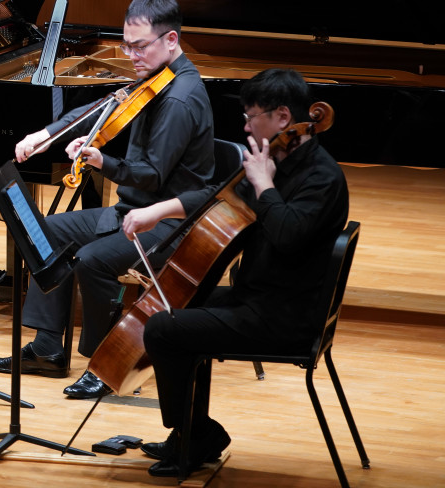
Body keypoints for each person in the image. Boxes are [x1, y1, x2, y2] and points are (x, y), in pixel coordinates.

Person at [0, 0, 214, 399]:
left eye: (139, 46)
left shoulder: (180, 98)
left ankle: (106, 364)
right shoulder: (156, 78)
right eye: (127, 46)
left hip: (169, 224)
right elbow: (99, 107)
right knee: (46, 232)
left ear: (171, 40)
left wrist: (102, 161)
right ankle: (47, 348)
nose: (131, 56)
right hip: (130, 211)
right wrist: (45, 134)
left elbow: (151, 176)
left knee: (93, 261)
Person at [124, 68, 348, 477]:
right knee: (177, 306)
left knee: (163, 330)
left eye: (251, 116)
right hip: (257, 298)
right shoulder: (278, 159)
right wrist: (159, 211)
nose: (245, 126)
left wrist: (264, 185)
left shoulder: (323, 177)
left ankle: (197, 434)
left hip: (285, 315)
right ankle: (192, 434)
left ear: (282, 117)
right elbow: (219, 199)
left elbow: (287, 236)